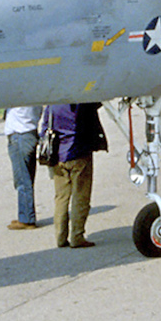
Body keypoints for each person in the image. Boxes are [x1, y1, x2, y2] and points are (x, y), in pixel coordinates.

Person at [46, 102, 107, 248]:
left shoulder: (53, 104)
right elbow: (97, 104)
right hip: (79, 153)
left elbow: (45, 128)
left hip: (57, 155)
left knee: (61, 198)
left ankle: (60, 237)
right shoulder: (82, 103)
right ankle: (77, 235)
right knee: (80, 197)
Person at [3, 105, 43, 228]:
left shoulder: (16, 98)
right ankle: (26, 215)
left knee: (22, 181)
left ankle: (27, 219)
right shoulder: (35, 98)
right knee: (28, 178)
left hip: (19, 135)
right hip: (30, 133)